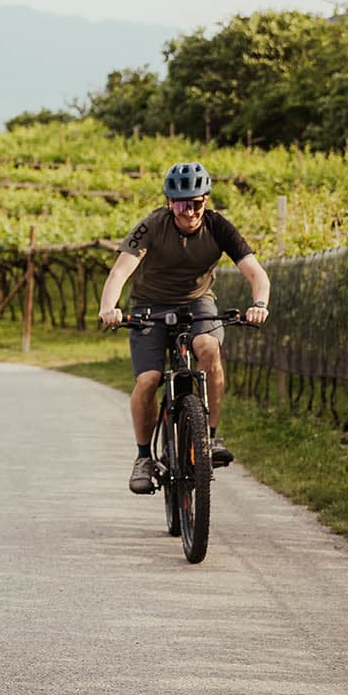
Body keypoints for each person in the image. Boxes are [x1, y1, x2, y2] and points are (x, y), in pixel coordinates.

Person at [97, 162, 271, 494]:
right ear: (168, 203)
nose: (189, 211)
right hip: (149, 305)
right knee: (148, 380)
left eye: (196, 203)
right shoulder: (151, 226)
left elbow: (256, 274)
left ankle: (209, 436)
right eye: (180, 204)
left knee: (208, 348)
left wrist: (259, 304)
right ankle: (144, 456)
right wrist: (110, 307)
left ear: (205, 201)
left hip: (197, 302)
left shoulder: (219, 227)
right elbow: (120, 272)